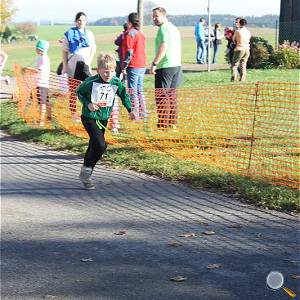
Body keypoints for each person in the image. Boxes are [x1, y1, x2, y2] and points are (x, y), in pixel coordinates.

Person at [76, 53, 135, 189]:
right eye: (105, 72)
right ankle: (87, 171)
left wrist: (130, 110)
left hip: (103, 119)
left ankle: (86, 173)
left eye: (112, 71)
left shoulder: (115, 82)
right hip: (89, 117)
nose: (109, 75)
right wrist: (88, 103)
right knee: (100, 145)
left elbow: (124, 95)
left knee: (94, 145)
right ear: (98, 70)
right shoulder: (90, 82)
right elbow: (79, 92)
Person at [150, 7, 182, 129]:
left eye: (156, 16)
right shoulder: (173, 28)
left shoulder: (163, 29)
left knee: (162, 96)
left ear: (163, 15)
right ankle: (172, 123)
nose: (154, 19)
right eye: (153, 16)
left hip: (165, 66)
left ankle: (163, 125)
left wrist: (154, 63)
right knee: (171, 96)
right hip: (176, 65)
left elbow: (163, 47)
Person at [61, 12, 96, 121]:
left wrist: (89, 62)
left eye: (83, 20)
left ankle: (89, 111)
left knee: (89, 88)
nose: (81, 22)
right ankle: (73, 113)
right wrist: (65, 66)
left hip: (85, 64)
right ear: (76, 21)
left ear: (86, 21)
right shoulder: (68, 34)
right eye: (79, 20)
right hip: (73, 64)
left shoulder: (89, 34)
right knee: (73, 90)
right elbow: (64, 52)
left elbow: (93, 49)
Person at [122, 12, 147, 120]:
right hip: (142, 65)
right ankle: (143, 114)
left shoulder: (130, 34)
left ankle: (135, 115)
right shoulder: (140, 33)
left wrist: (124, 66)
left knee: (132, 91)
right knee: (139, 90)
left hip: (134, 65)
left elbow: (129, 52)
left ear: (129, 22)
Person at [34, 40, 51, 126]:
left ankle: (41, 121)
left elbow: (38, 70)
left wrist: (27, 70)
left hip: (42, 83)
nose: (36, 50)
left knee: (42, 102)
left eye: (37, 48)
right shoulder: (40, 57)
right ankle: (49, 117)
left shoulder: (43, 58)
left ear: (41, 49)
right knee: (46, 101)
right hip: (43, 83)